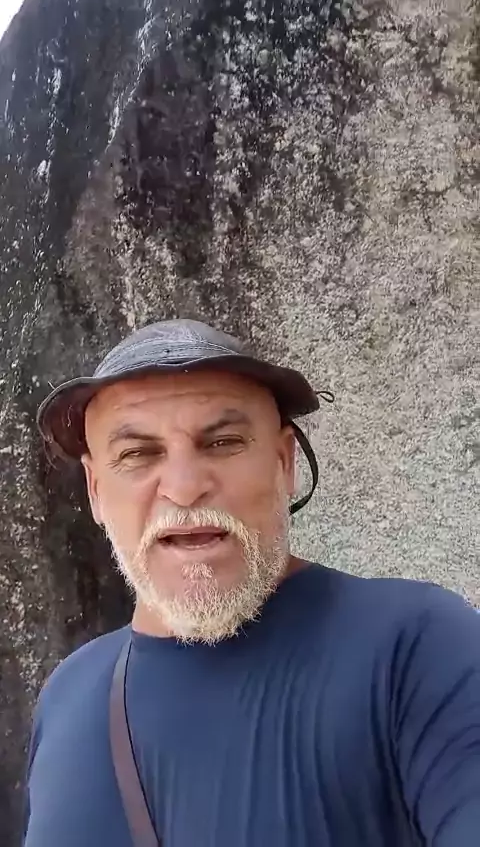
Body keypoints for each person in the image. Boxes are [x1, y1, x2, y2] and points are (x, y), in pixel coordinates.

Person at [24, 318, 480, 847]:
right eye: (138, 454)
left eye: (222, 442)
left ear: (284, 463)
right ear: (96, 491)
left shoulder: (417, 646)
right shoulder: (69, 694)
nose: (185, 488)